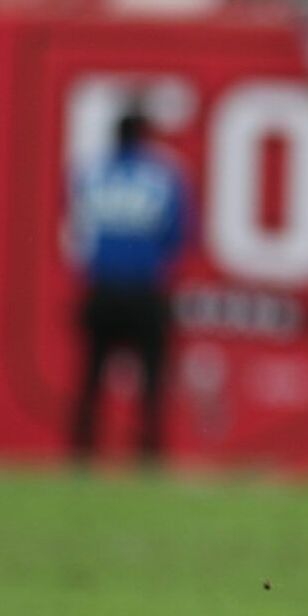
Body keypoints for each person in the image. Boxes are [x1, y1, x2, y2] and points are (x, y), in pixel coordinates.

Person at [69, 107, 191, 465]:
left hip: (101, 287)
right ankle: (149, 455)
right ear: (144, 135)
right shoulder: (164, 176)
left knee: (91, 376)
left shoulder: (89, 173)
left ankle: (81, 453)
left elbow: (76, 222)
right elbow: (178, 235)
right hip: (145, 289)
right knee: (152, 378)